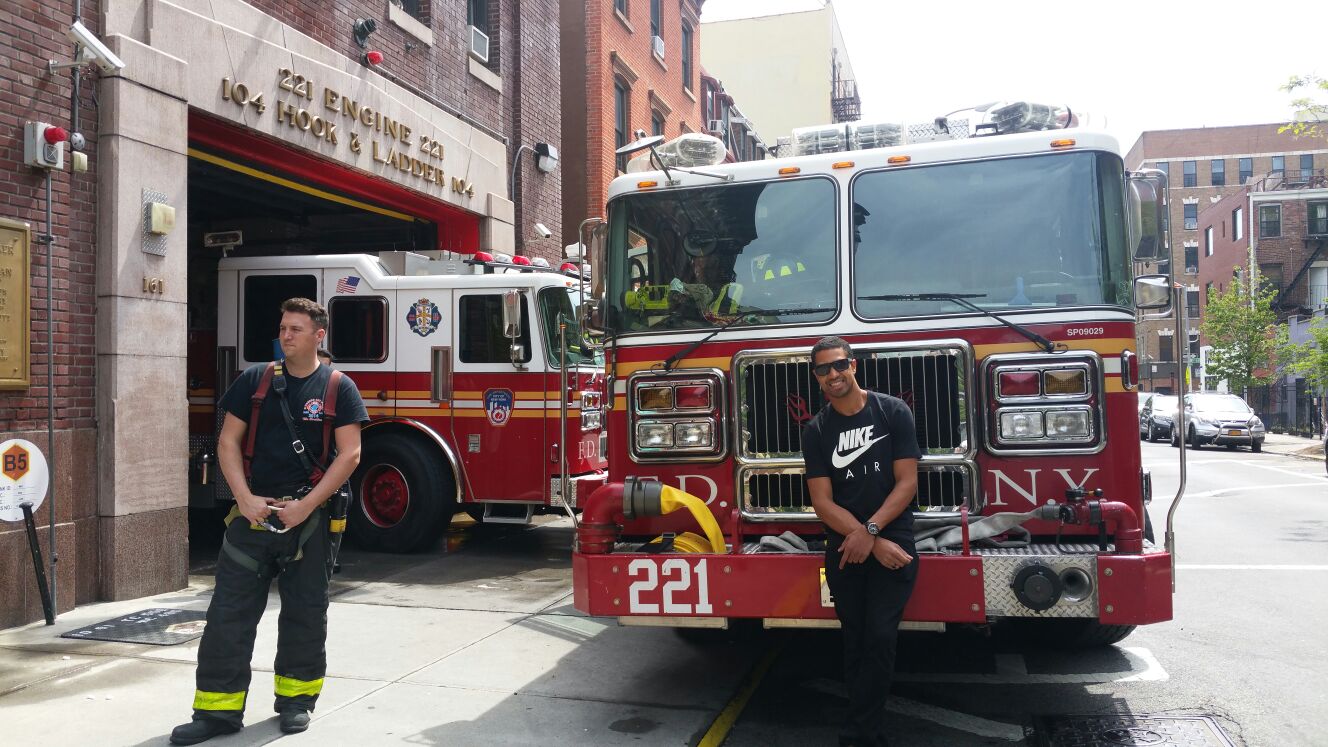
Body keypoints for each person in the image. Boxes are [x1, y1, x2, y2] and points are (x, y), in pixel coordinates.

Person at [171, 298, 368, 745]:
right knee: (228, 615)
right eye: (283, 327)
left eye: (296, 329)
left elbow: (351, 455)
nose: (286, 335)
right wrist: (243, 499)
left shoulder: (339, 387)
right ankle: (216, 713)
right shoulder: (254, 381)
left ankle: (296, 702)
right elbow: (226, 443)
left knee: (304, 612)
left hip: (310, 519)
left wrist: (306, 506)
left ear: (319, 336)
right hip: (253, 517)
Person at [801, 335, 920, 747]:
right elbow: (822, 501)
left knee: (881, 636)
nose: (832, 375)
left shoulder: (892, 412)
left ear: (854, 365)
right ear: (816, 377)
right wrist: (863, 537)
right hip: (845, 547)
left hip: (894, 542)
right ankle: (863, 726)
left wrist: (873, 533)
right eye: (823, 370)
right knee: (855, 637)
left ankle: (860, 734)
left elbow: (907, 483)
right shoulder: (816, 430)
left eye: (838, 365)